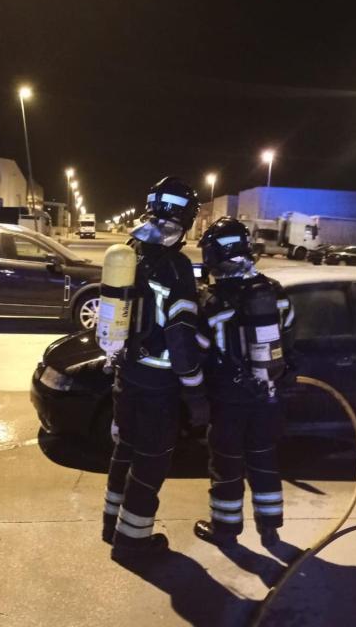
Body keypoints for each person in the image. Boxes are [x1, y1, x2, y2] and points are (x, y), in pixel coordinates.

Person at [102, 176, 209, 559]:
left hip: (125, 377)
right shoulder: (177, 268)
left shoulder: (130, 251)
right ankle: (132, 544)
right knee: (148, 467)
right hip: (157, 387)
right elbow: (180, 339)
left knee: (123, 453)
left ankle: (111, 526)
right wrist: (196, 394)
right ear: (187, 220)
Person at [193, 216, 294, 548]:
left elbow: (200, 350)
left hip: (228, 402)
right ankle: (270, 528)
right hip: (268, 397)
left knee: (227, 467)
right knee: (265, 461)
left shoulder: (211, 302)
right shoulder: (275, 293)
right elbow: (290, 336)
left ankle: (225, 530)